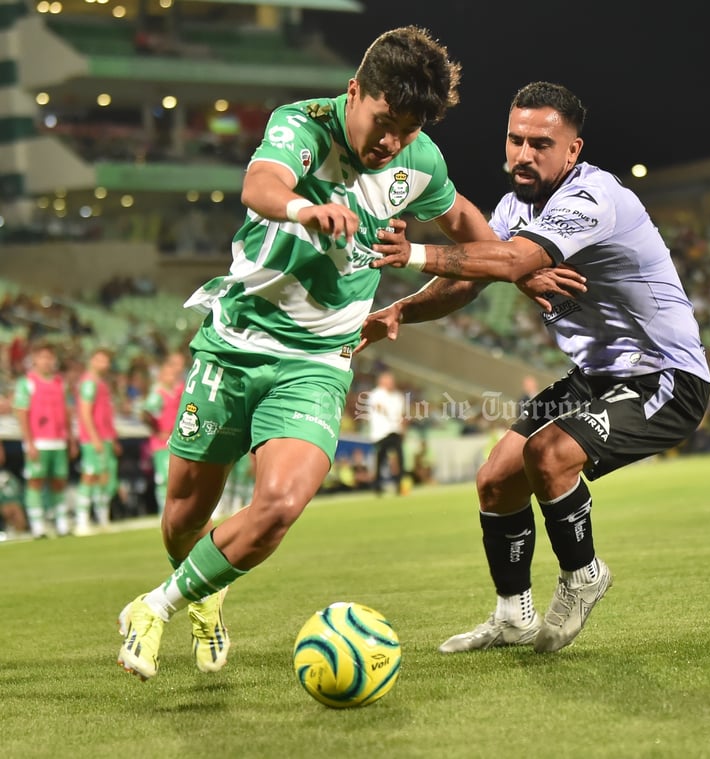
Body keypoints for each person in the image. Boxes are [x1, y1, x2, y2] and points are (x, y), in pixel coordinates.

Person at [116, 25, 505, 682]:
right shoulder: (304, 124)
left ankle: (157, 605)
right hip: (236, 342)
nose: (391, 142)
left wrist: (429, 294)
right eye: (384, 120)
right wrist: (305, 210)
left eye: (408, 129)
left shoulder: (420, 164)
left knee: (280, 505)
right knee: (184, 509)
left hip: (319, 361)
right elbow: (261, 184)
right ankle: (204, 592)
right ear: (355, 92)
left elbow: (477, 245)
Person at [362, 81, 710, 654]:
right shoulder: (515, 206)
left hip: (662, 377)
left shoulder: (593, 198)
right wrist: (399, 310)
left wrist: (416, 252)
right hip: (594, 375)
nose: (523, 154)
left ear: (571, 151)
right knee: (495, 480)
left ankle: (584, 576)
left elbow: (516, 258)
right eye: (514, 139)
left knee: (548, 456)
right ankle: (512, 616)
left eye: (540, 144)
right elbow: (467, 281)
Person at [12, 341, 75, 538]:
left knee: (59, 481)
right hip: (38, 441)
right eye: (42, 357)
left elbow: (67, 412)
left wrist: (70, 439)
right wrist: (28, 441)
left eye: (50, 357)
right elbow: (22, 412)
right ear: (35, 360)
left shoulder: (60, 383)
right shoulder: (27, 382)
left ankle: (61, 523)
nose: (47, 361)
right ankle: (38, 526)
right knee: (35, 482)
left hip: (58, 440)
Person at [75, 347, 122, 533]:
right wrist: (94, 438)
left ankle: (102, 518)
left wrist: (113, 438)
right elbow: (85, 413)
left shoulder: (102, 383)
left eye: (107, 361)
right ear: (92, 361)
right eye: (100, 360)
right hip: (94, 439)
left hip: (106, 437)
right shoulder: (88, 383)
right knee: (90, 476)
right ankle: (82, 520)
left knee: (104, 478)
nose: (105, 364)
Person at [140, 352, 186, 515]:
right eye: (168, 374)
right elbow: (145, 413)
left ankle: (176, 510)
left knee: (178, 476)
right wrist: (157, 430)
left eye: (173, 374)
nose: (171, 377)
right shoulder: (157, 393)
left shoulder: (179, 389)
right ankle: (164, 511)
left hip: (177, 439)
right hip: (161, 443)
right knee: (164, 477)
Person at [365, 370, 406, 494]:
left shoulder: (398, 396)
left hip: (394, 430)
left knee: (399, 457)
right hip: (381, 432)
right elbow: (379, 407)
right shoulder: (376, 394)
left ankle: (399, 483)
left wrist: (402, 428)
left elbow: (401, 415)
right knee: (380, 458)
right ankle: (377, 485)